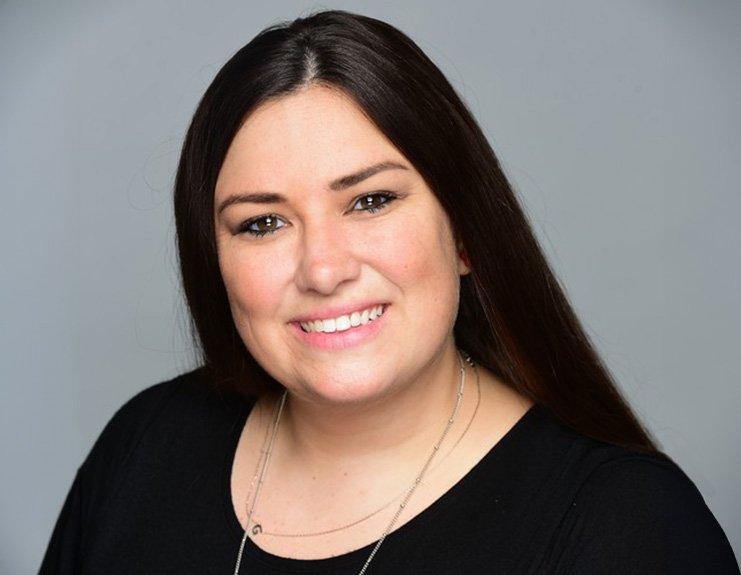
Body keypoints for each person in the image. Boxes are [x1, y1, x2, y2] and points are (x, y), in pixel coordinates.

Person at [39, 9, 738, 575]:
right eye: (263, 222)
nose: (322, 268)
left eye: (370, 201)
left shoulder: (631, 525)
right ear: (212, 259)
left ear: (465, 231)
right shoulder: (147, 443)